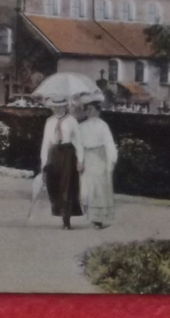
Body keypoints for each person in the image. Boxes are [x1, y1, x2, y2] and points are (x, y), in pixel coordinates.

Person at [75, 89, 119, 228]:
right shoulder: (81, 126)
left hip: (100, 159)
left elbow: (109, 143)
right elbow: (79, 146)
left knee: (99, 188)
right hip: (88, 159)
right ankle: (91, 216)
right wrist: (80, 160)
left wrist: (111, 160)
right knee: (88, 188)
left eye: (91, 109)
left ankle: (98, 219)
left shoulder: (102, 125)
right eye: (87, 109)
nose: (89, 111)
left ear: (97, 110)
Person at [40, 94, 84, 229]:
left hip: (68, 153)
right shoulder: (50, 121)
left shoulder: (72, 121)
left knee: (68, 187)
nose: (57, 109)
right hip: (53, 153)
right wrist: (43, 163)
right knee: (52, 185)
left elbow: (78, 142)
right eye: (55, 107)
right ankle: (58, 209)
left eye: (60, 106)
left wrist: (80, 160)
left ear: (65, 106)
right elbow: (46, 142)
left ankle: (66, 219)